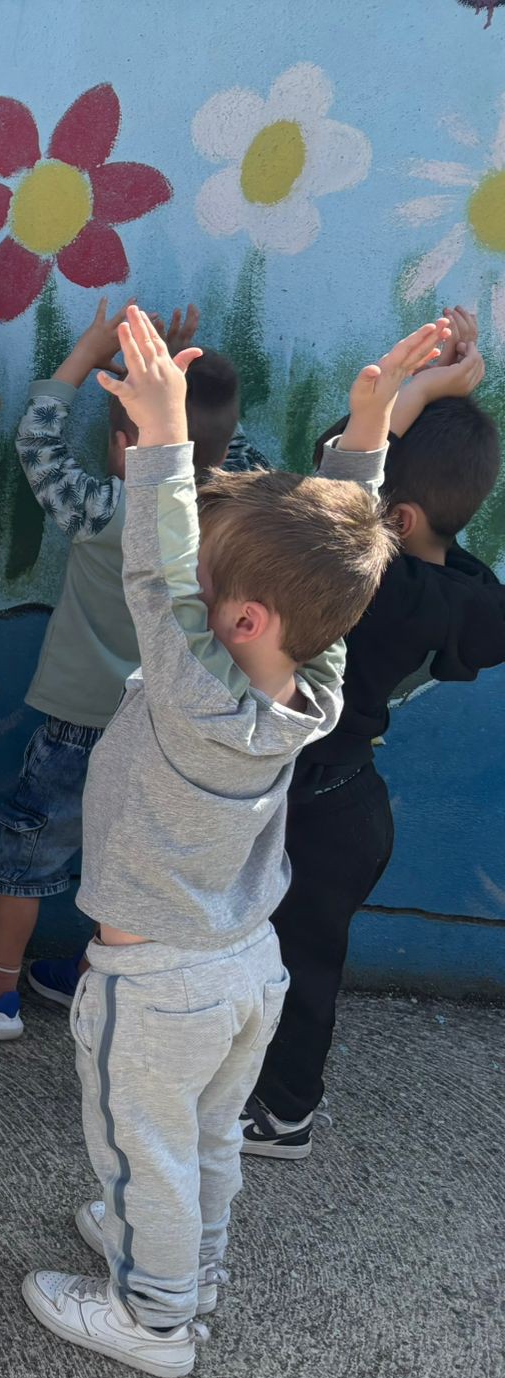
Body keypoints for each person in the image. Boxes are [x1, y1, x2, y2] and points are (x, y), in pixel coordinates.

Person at [22, 308, 427, 1378]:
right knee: (199, 1139)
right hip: (244, 966)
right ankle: (183, 1266)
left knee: (137, 1145)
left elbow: (152, 580)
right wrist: (363, 436)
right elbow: (337, 567)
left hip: (153, 982)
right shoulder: (316, 682)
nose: (186, 603)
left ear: (241, 621)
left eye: (210, 594)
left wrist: (160, 440)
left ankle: (151, 1320)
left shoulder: (196, 695)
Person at [0, 300, 266, 1038]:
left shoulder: (103, 507)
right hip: (165, 735)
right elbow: (234, 453)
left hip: (78, 721)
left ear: (121, 450)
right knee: (123, 863)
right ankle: (91, 985)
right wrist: (175, 393)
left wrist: (87, 353)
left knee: (29, 850)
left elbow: (37, 443)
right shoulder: (234, 515)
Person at [247, 311, 505, 1157]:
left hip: (314, 812)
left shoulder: (378, 584)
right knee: (301, 960)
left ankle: (284, 1112)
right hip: (354, 801)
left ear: (392, 516)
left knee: (300, 969)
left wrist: (424, 386)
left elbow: (334, 476)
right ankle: (266, 1088)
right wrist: (434, 395)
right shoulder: (459, 589)